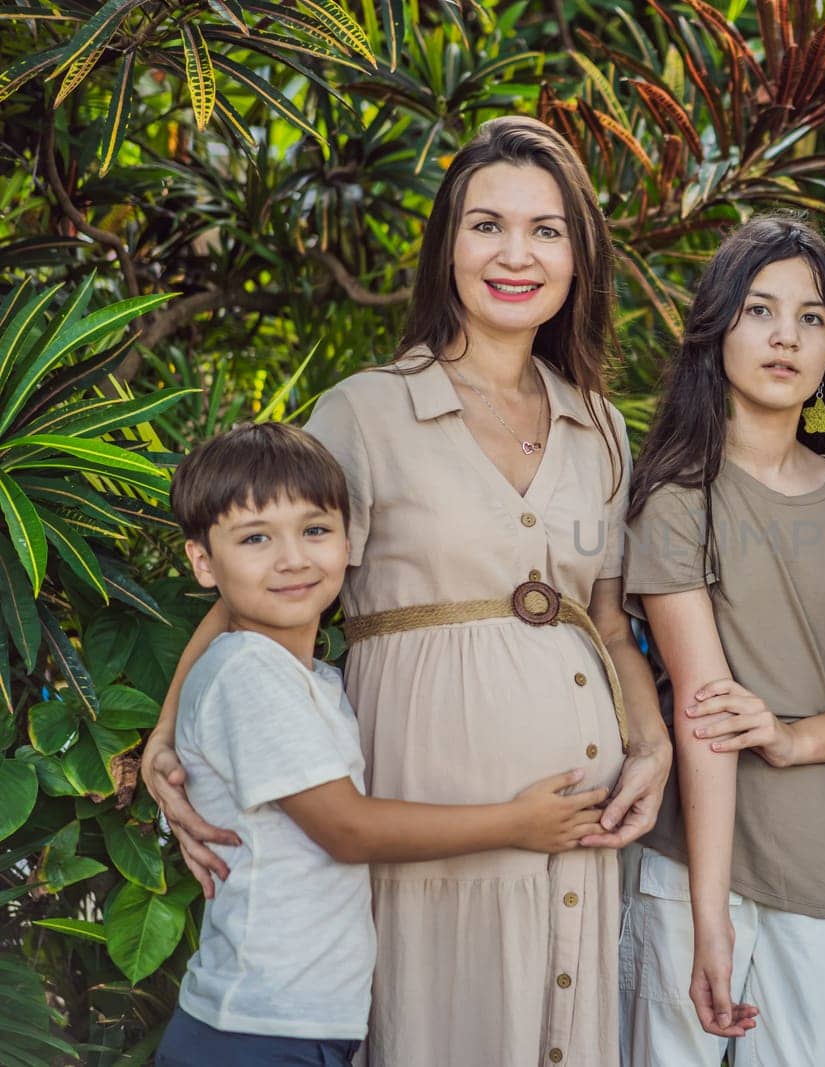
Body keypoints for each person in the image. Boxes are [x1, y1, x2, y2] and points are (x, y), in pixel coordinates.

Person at [140, 116, 673, 1067]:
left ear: (579, 256)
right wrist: (165, 735)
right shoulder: (366, 409)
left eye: (547, 230)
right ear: (448, 247)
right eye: (487, 225)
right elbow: (256, 585)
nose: (517, 254)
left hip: (580, 823)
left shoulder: (601, 427)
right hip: (428, 796)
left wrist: (652, 743)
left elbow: (607, 622)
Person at [155, 423, 613, 1067]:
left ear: (351, 541)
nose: (293, 558)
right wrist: (518, 823)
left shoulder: (312, 679)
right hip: (255, 1031)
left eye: (315, 531)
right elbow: (346, 829)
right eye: (256, 538)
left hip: (295, 1022)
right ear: (203, 561)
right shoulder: (248, 674)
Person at [618, 216, 825, 1065]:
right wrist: (710, 920)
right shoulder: (675, 499)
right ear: (717, 332)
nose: (786, 336)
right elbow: (704, 717)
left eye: (811, 317)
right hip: (690, 874)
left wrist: (789, 737)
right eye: (759, 311)